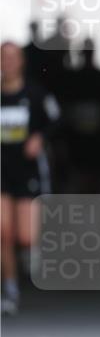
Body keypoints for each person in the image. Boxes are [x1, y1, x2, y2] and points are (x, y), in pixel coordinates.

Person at [1, 41, 59, 315]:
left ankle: (27, 257)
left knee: (25, 236)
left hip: (27, 172)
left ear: (21, 62)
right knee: (3, 231)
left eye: (13, 57)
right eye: (4, 58)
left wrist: (39, 138)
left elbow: (54, 120)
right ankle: (10, 288)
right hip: (2, 172)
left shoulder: (35, 94)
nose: (9, 63)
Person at [56, 39, 100, 193]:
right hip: (83, 139)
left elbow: (59, 101)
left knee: (89, 179)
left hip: (89, 139)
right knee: (88, 179)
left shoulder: (75, 78)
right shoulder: (79, 78)